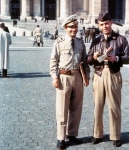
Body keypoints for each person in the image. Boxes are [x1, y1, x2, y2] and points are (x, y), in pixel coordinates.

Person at [87, 12, 129, 147]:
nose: (104, 26)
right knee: (98, 106)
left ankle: (116, 135)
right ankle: (97, 134)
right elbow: (88, 60)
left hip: (113, 74)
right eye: (101, 24)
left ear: (111, 22)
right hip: (99, 74)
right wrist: (94, 57)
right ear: (99, 26)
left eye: (106, 23)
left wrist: (117, 58)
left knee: (114, 106)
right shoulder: (95, 41)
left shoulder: (121, 39)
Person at [49, 14, 90, 149]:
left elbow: (84, 61)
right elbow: (53, 61)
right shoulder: (59, 42)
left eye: (76, 26)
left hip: (77, 77)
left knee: (76, 108)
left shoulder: (80, 42)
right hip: (63, 77)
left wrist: (87, 76)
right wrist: (54, 77)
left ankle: (72, 134)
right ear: (66, 28)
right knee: (62, 109)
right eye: (71, 27)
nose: (74, 29)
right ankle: (61, 138)